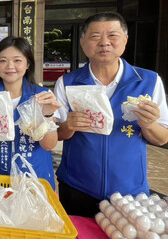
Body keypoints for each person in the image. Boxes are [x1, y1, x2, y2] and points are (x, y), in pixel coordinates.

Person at [54, 12, 168, 217]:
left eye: (113, 36)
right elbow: (56, 134)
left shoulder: (148, 81)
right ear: (83, 42)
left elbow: (162, 138)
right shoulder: (67, 83)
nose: (104, 42)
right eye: (95, 36)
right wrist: (68, 126)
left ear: (125, 40)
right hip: (77, 188)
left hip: (130, 192)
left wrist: (149, 125)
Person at [0, 36, 61, 190]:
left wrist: (47, 116)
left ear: (28, 64)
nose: (10, 66)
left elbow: (49, 145)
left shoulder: (42, 96)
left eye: (17, 60)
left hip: (36, 181)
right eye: (2, 61)